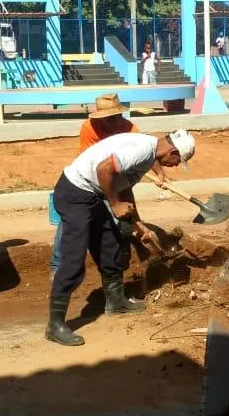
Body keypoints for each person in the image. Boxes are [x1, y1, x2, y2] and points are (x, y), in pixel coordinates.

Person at [46, 129, 195, 346]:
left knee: (111, 243)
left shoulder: (151, 152)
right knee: (73, 257)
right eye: (176, 161)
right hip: (75, 194)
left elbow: (123, 187)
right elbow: (104, 169)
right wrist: (114, 205)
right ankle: (55, 325)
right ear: (172, 151)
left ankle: (115, 302)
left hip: (93, 194)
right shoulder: (141, 151)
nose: (173, 166)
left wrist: (138, 223)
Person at [49, 93, 168, 280]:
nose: (114, 121)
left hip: (118, 177)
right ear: (101, 118)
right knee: (72, 220)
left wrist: (160, 173)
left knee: (123, 218)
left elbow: (149, 150)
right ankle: (58, 265)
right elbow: (95, 164)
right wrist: (112, 201)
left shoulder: (129, 128)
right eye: (109, 118)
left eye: (117, 117)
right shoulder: (89, 128)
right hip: (92, 179)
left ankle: (120, 263)